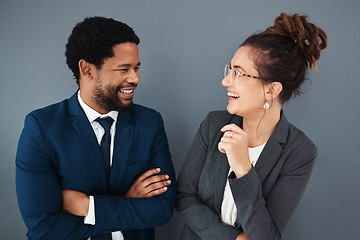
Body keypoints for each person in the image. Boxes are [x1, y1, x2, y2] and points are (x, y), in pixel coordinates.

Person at [16, 16, 177, 240]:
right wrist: (128, 200)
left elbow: (162, 208)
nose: (136, 78)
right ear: (87, 70)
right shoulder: (41, 128)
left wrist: (88, 206)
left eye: (137, 68)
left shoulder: (150, 123)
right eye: (124, 69)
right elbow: (44, 228)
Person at [175, 13, 327, 240]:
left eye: (238, 73)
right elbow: (184, 196)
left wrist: (243, 170)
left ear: (271, 90)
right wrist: (233, 238)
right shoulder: (213, 125)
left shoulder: (300, 152)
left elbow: (267, 236)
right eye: (229, 70)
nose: (226, 81)